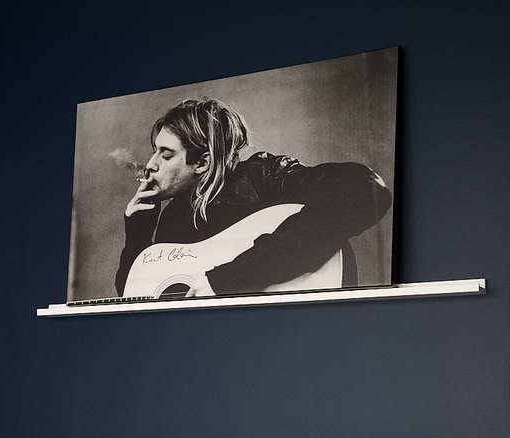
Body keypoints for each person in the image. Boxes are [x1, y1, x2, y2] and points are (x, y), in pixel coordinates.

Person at [114, 97, 393, 298]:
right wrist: (138, 231)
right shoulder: (175, 216)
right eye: (154, 152)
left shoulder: (263, 176)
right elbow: (137, 296)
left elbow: (365, 190)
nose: (150, 165)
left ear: (202, 162)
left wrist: (227, 281)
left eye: (165, 155)